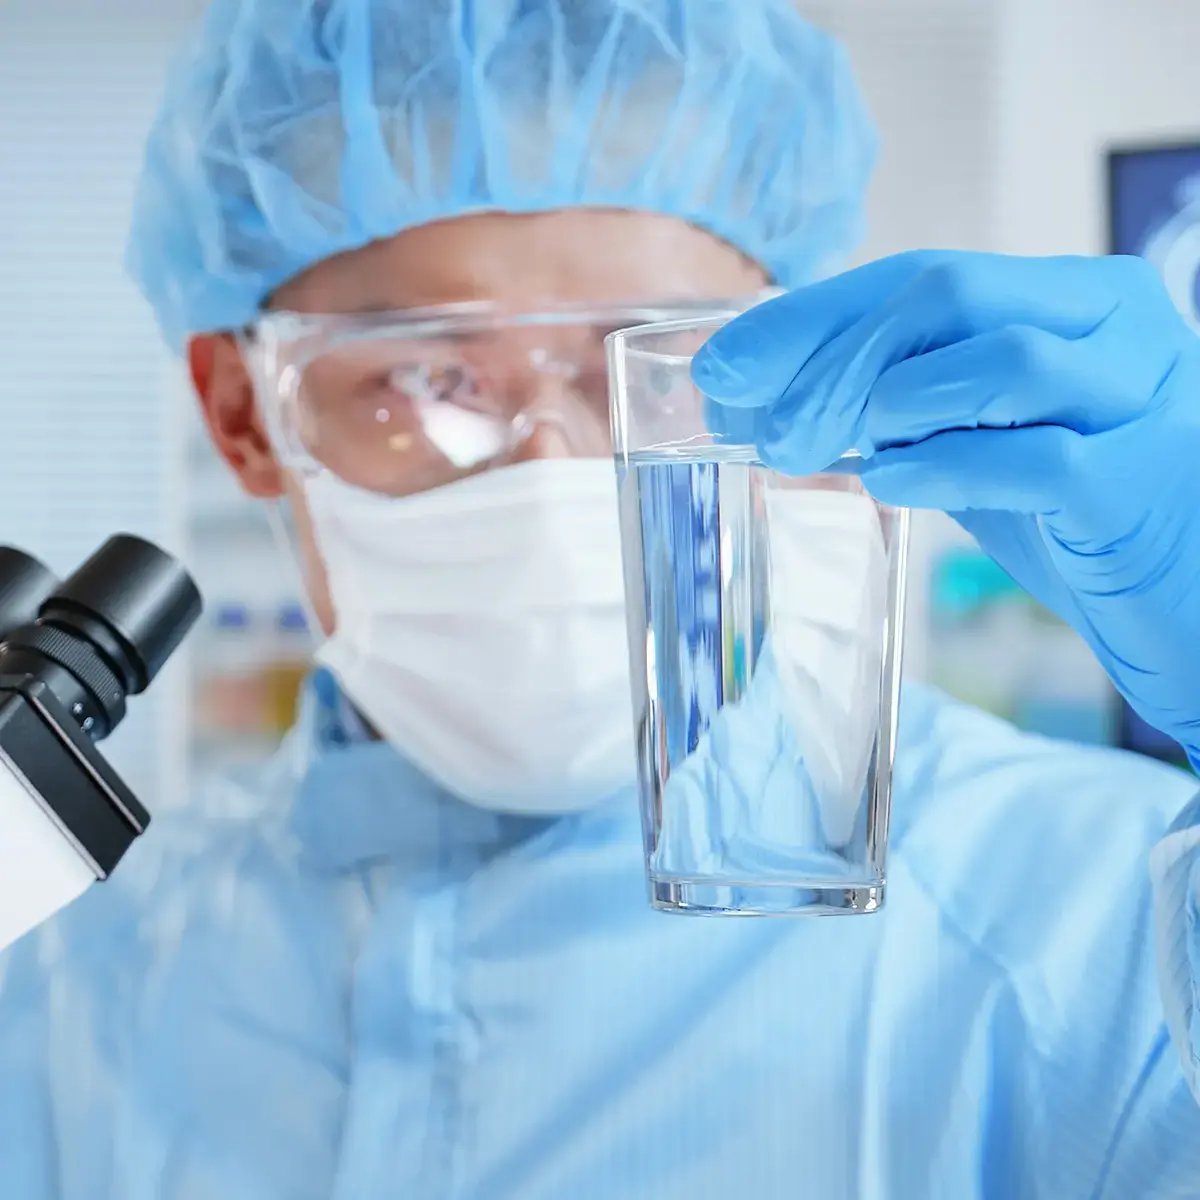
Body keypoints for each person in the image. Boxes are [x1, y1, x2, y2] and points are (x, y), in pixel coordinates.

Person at [1, 1, 1198, 1197]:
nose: (556, 470)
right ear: (243, 412)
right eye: (426, 375)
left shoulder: (1095, 922)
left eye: (656, 361)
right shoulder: (68, 968)